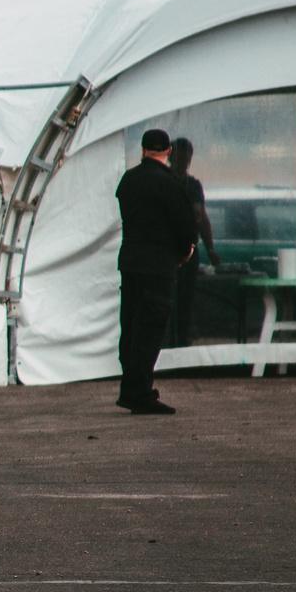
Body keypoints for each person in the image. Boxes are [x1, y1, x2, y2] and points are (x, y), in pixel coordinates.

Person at [114, 128, 198, 413]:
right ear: (169, 152)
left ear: (142, 150)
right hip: (158, 265)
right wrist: (183, 252)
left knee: (131, 327)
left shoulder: (128, 180)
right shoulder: (169, 184)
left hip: (130, 262)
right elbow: (187, 226)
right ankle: (141, 394)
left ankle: (129, 388)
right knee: (150, 330)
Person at [166, 137, 214, 347]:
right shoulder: (164, 181)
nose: (182, 161)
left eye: (186, 157)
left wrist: (211, 249)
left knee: (185, 301)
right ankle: (167, 344)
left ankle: (182, 342)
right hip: (166, 252)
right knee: (166, 300)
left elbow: (202, 218)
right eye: (179, 156)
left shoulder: (193, 186)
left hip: (188, 252)